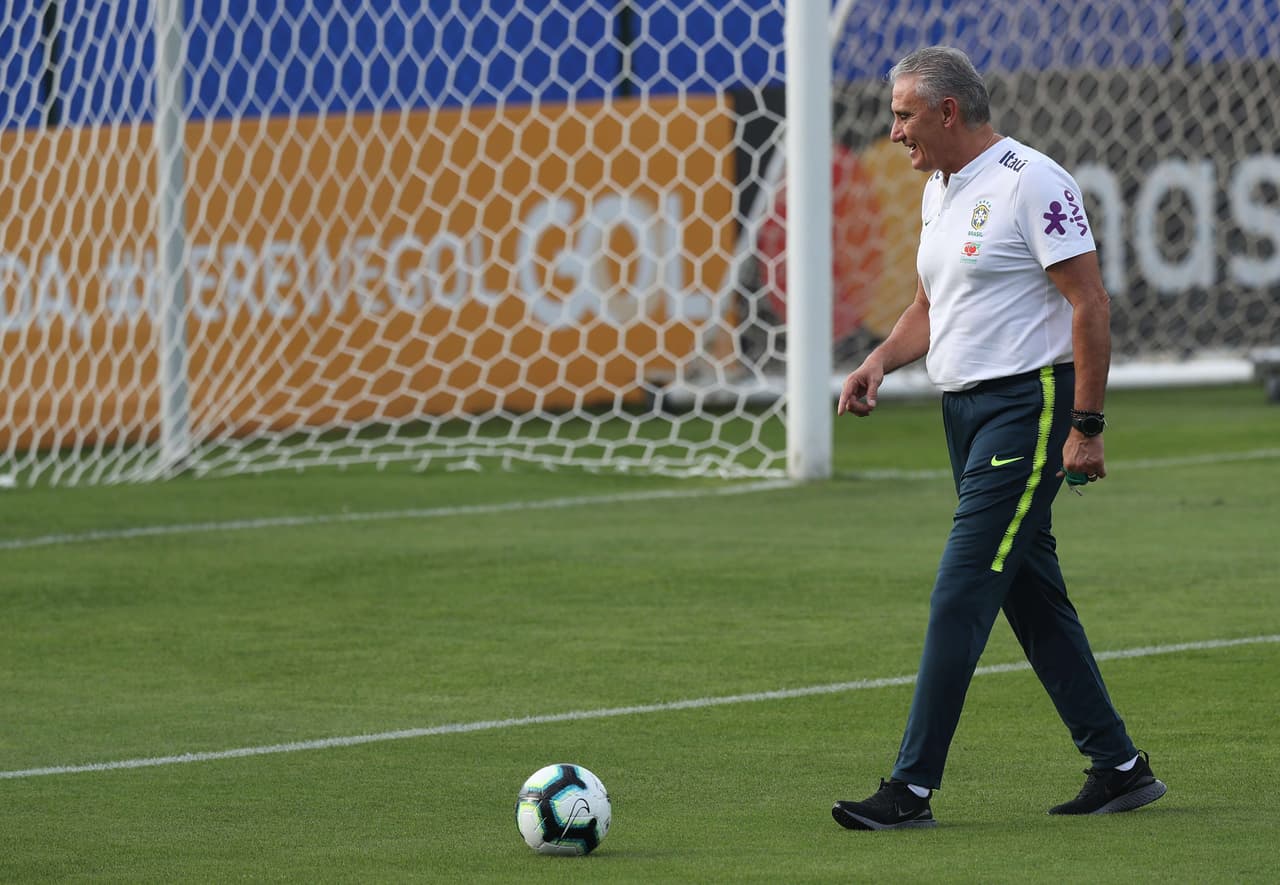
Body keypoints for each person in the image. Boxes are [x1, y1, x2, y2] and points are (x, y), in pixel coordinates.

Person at [830, 46, 1166, 830]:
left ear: (948, 112)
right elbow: (928, 306)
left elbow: (1088, 303)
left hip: (1030, 409)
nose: (895, 131)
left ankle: (910, 788)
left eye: (905, 116)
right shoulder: (938, 191)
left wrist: (1087, 425)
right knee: (1029, 592)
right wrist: (879, 359)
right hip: (965, 415)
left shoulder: (1032, 182)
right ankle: (1119, 766)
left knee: (961, 590)